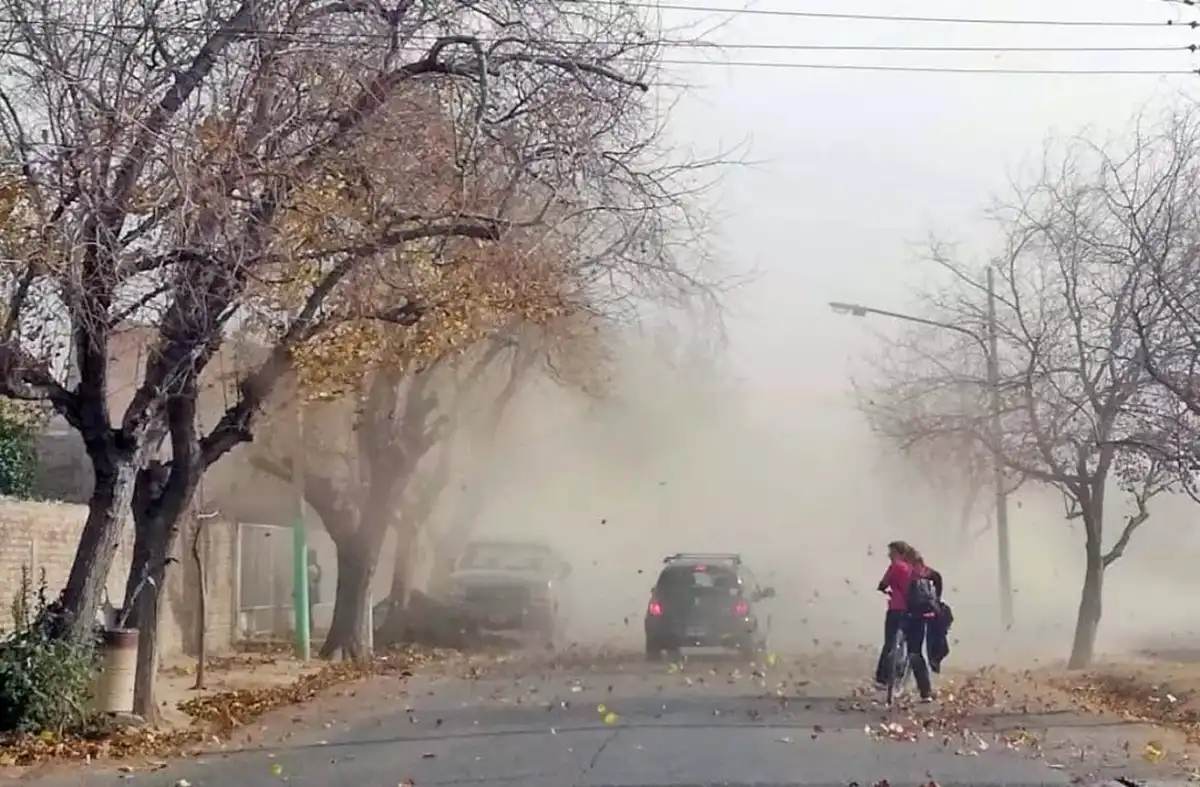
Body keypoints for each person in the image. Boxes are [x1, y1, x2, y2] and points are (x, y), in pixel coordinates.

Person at [898, 545, 939, 702]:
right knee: (917, 651)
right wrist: (935, 601)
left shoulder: (905, 571)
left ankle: (898, 679)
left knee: (911, 650)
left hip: (908, 613)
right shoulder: (928, 572)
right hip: (925, 614)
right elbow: (938, 583)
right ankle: (926, 690)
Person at [874, 540, 914, 689]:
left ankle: (882, 678)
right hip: (912, 610)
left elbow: (883, 584)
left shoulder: (895, 566)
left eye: (891, 552)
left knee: (890, 643)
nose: (889, 555)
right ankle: (900, 675)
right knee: (906, 644)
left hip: (896, 609)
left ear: (898, 553)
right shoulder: (912, 568)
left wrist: (886, 589)